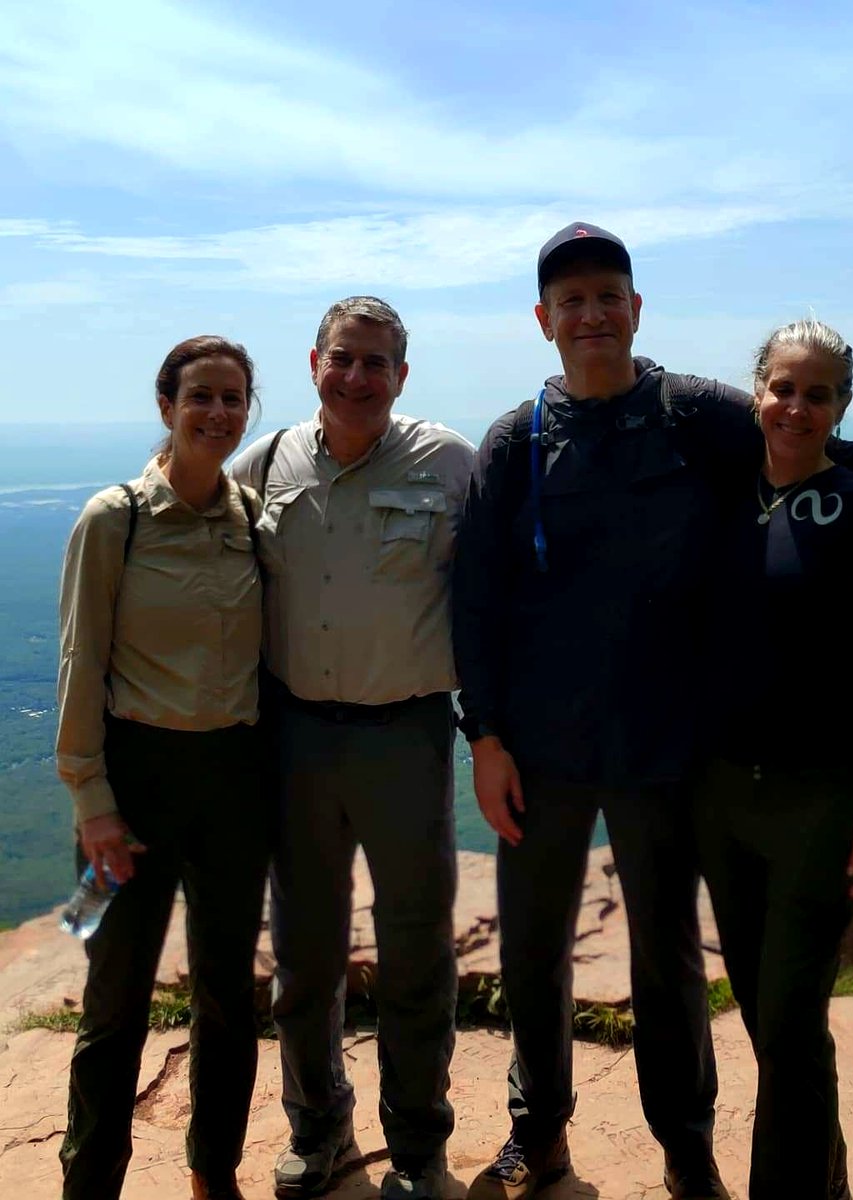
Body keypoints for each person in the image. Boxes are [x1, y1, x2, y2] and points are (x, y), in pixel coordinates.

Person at [451, 223, 853, 1200]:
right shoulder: (517, 439)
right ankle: (538, 1133)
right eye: (571, 301)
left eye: (608, 295)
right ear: (543, 320)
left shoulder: (695, 412)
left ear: (636, 308)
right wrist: (486, 736)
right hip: (541, 748)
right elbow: (475, 595)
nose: (592, 315)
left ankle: (686, 1149)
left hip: (665, 744)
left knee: (665, 956)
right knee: (534, 946)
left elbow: (810, 439)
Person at [229, 297, 473, 1200]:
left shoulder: (448, 462)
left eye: (376, 363)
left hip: (406, 734)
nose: (357, 377)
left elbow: (502, 584)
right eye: (343, 358)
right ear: (314, 363)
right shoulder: (267, 462)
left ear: (402, 375)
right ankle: (319, 1128)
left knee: (416, 950)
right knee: (305, 953)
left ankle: (417, 1146)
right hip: (293, 735)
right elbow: (183, 517)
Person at [692, 319, 853, 1200]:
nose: (796, 406)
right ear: (756, 390)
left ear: (842, 407)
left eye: (817, 394)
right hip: (719, 793)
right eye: (783, 388)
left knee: (788, 1026)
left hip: (822, 796)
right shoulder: (715, 487)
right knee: (770, 1023)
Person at [56, 336, 269, 1200]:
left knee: (228, 995)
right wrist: (92, 803)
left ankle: (214, 1171)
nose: (217, 412)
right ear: (166, 406)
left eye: (233, 397)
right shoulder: (117, 519)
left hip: (233, 783)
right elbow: (80, 661)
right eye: (200, 396)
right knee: (115, 1001)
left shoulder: (251, 518)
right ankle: (89, 1182)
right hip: (133, 783)